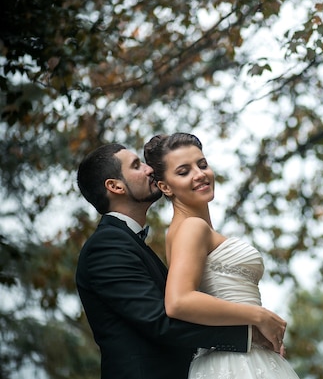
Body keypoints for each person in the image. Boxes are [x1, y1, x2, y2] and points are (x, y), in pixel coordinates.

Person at [75, 143, 286, 379]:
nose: (149, 170)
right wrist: (249, 332)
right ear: (115, 186)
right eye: (137, 166)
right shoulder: (106, 246)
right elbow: (159, 320)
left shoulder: (132, 243)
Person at [143, 132, 300, 379]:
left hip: (247, 355)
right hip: (234, 364)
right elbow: (179, 301)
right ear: (165, 186)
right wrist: (259, 316)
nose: (199, 174)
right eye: (184, 172)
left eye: (202, 164)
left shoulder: (189, 228)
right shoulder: (192, 228)